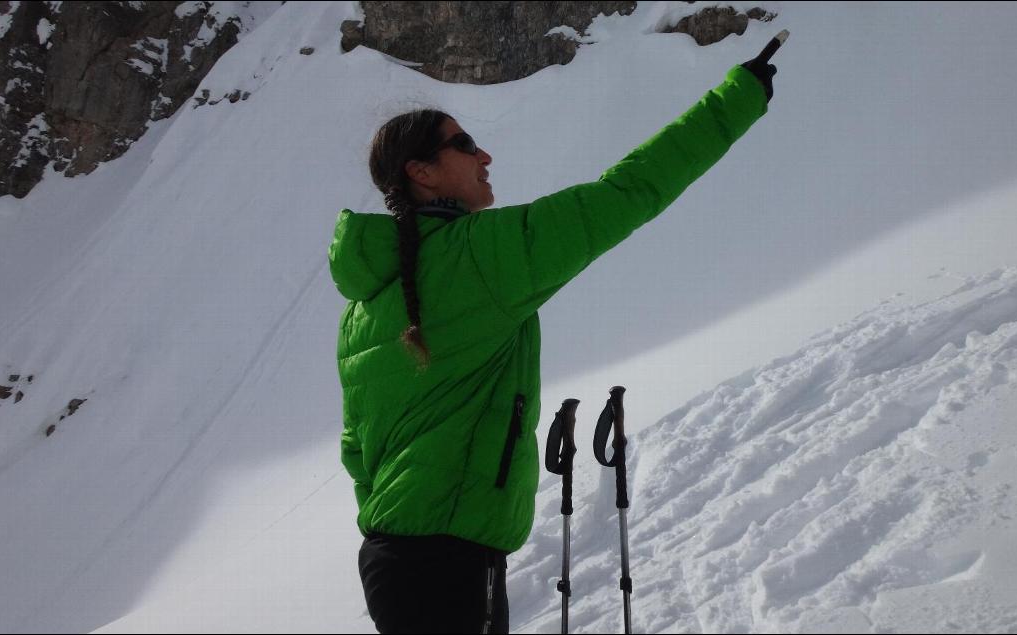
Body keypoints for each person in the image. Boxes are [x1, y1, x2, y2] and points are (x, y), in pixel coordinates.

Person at [328, 52, 778, 634]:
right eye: (464, 144)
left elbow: (357, 450)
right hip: (451, 560)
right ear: (422, 172)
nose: (484, 155)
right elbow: (629, 191)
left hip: (392, 559)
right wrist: (739, 97)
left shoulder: (363, 302)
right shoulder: (482, 256)